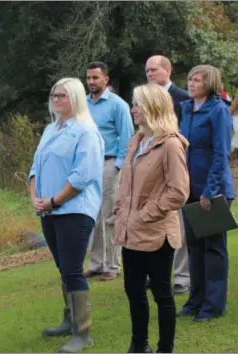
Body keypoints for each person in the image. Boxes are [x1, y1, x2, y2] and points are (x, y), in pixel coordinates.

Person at [29, 77, 104, 353]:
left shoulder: (86, 131)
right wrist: (36, 199)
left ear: (76, 99)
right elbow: (34, 168)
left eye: (63, 95)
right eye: (54, 95)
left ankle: (83, 333)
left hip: (74, 210)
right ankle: (69, 318)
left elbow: (82, 176)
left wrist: (53, 201)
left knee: (73, 270)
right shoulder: (50, 129)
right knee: (63, 268)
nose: (57, 99)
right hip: (49, 211)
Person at [114, 83, 189, 353]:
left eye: (137, 105)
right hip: (130, 232)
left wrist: (145, 213)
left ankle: (165, 349)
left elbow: (179, 192)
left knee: (162, 294)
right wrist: (121, 209)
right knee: (133, 292)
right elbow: (126, 182)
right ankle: (138, 345)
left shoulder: (170, 143)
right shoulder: (136, 140)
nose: (133, 109)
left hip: (157, 234)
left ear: (153, 108)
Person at [178, 65, 235, 322]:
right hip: (188, 188)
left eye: (197, 80)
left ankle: (213, 306)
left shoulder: (219, 111)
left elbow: (221, 154)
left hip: (212, 190)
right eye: (190, 79)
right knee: (194, 248)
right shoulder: (187, 109)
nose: (191, 83)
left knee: (213, 249)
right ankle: (195, 300)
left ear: (209, 83)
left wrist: (210, 192)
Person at [83, 61, 134, 281]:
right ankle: (96, 263)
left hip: (109, 163)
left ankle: (113, 265)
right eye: (88, 78)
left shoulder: (118, 105)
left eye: (95, 77)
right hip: (87, 166)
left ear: (106, 79)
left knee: (110, 215)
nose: (91, 82)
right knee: (91, 216)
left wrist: (118, 166)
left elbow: (128, 136)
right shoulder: (82, 104)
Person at [145, 55, 191, 294]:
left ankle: (182, 277)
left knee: (178, 223)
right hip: (152, 170)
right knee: (158, 221)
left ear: (167, 71)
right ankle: (159, 273)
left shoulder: (183, 99)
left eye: (153, 70)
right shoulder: (146, 100)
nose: (149, 74)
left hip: (175, 166)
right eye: (147, 71)